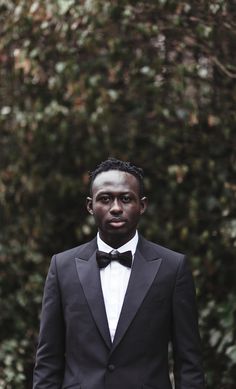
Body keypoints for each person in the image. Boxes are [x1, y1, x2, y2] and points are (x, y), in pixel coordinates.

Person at [33, 158, 205, 389]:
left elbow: (189, 363)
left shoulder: (173, 268)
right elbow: (48, 361)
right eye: (105, 199)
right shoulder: (62, 267)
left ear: (142, 205)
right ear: (90, 205)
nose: (116, 207)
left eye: (126, 198)